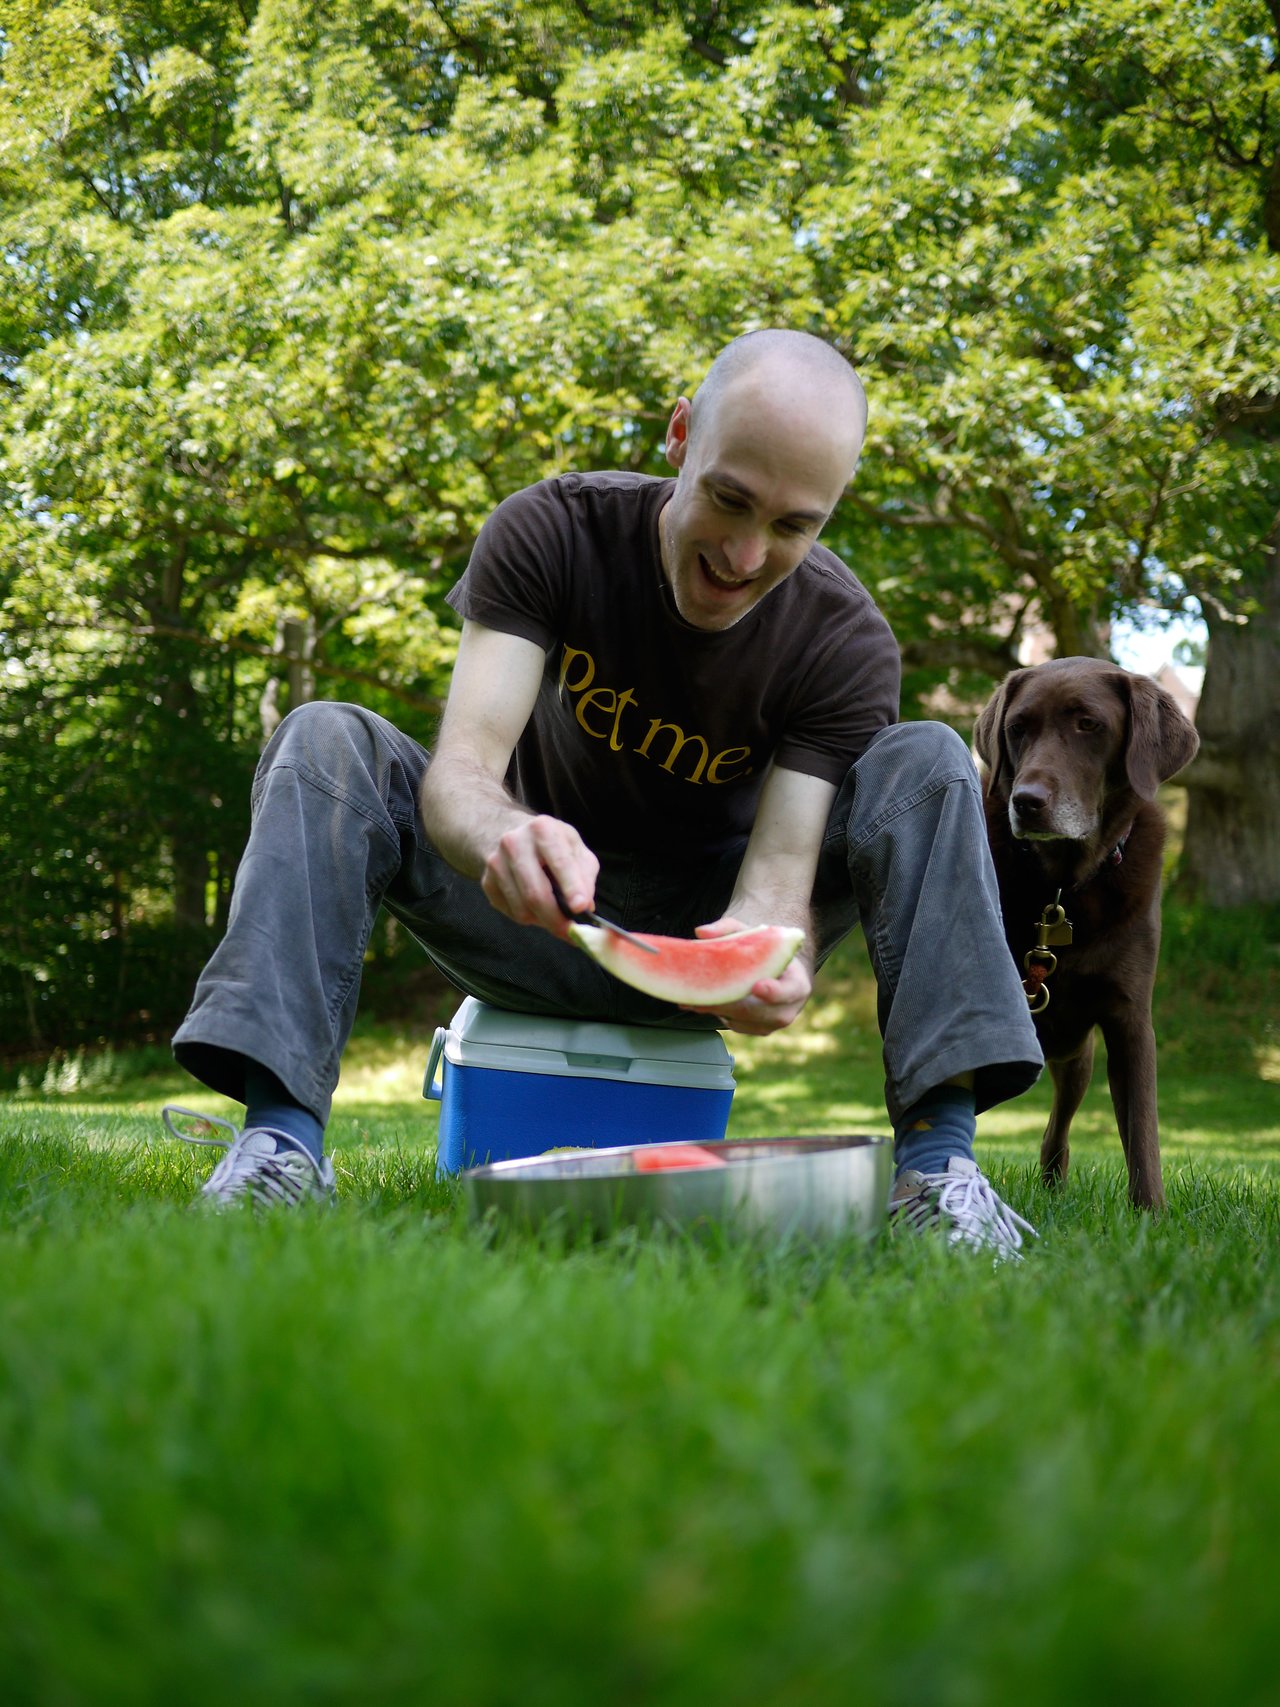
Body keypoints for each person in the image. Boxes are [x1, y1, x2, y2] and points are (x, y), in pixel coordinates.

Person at [166, 330, 1044, 1254]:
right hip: (522, 909)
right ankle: (280, 1147)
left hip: (697, 933)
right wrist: (508, 833)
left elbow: (777, 881)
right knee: (326, 738)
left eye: (793, 527)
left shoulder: (845, 641)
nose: (745, 555)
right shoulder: (551, 530)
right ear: (680, 437)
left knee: (930, 758)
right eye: (729, 499)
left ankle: (940, 1175)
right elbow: (462, 771)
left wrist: (767, 953)